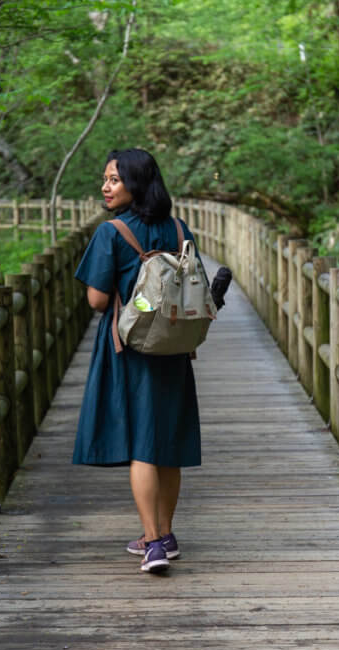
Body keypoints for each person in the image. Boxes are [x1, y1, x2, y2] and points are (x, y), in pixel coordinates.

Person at [72, 148, 203, 574]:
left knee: (142, 445)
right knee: (168, 444)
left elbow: (95, 300)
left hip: (131, 349)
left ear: (136, 183)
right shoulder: (180, 228)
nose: (105, 187)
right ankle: (166, 532)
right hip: (176, 347)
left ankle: (151, 544)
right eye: (105, 179)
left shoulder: (112, 233)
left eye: (113, 179)